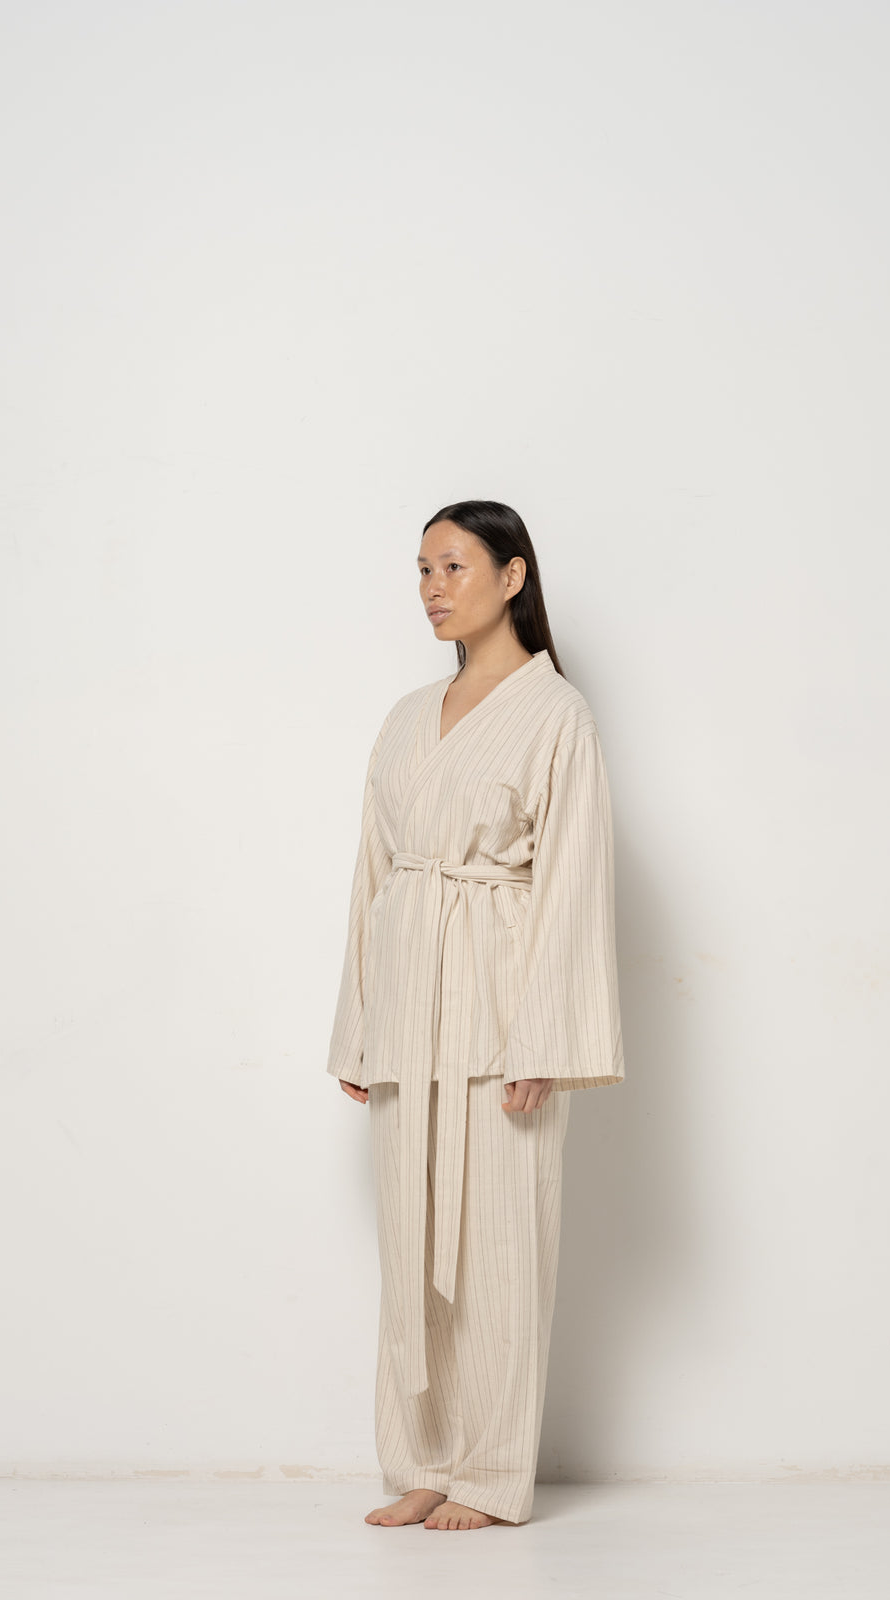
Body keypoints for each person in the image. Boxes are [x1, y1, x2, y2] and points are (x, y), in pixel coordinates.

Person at [326, 499, 624, 1530]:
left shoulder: (558, 714)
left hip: (500, 1005)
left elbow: (574, 880)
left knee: (500, 1239)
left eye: (453, 566)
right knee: (410, 1244)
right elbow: (374, 874)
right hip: (408, 998)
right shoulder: (408, 715)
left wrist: (546, 1036)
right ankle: (422, 1458)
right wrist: (358, 1021)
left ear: (512, 576)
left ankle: (490, 1473)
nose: (432, 588)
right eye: (421, 569)